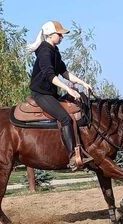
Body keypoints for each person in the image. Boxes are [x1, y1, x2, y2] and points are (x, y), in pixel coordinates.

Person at [27, 20, 93, 170]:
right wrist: (68, 89)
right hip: (41, 94)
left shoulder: (54, 50)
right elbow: (50, 75)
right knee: (64, 118)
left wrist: (83, 83)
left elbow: (64, 72)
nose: (62, 37)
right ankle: (72, 157)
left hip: (51, 93)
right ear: (50, 35)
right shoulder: (44, 51)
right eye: (60, 34)